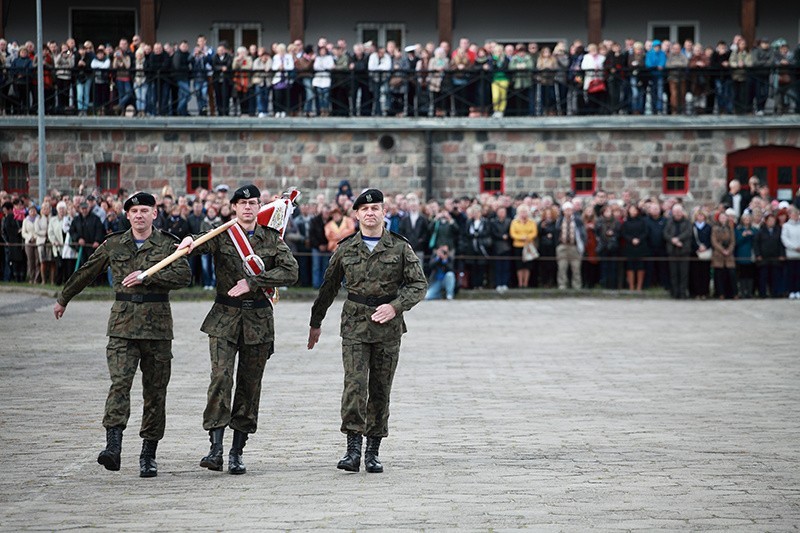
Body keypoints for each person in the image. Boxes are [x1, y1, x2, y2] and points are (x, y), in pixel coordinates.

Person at [53, 192, 192, 477]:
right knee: (120, 384)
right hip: (122, 327)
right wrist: (64, 297)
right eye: (134, 211)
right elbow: (88, 271)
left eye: (145, 210)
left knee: (155, 393)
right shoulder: (114, 243)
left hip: (157, 329)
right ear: (127, 215)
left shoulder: (168, 244)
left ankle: (148, 454)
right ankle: (113, 446)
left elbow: (184, 276)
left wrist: (150, 274)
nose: (139, 215)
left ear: (155, 214)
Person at [177, 184, 298, 475]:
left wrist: (254, 283)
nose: (247, 207)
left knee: (249, 385)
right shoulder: (223, 235)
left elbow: (291, 271)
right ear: (233, 207)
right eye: (241, 203)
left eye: (253, 203)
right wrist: (187, 241)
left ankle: (236, 452)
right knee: (220, 377)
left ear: (259, 207)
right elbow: (198, 243)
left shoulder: (271, 239)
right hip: (224, 319)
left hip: (258, 321)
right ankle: (215, 448)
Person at [308, 188, 427, 473]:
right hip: (355, 325)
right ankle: (352, 450)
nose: (370, 213)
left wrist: (396, 306)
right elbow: (329, 287)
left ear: (384, 213)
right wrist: (316, 322)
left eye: (376, 209)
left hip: (388, 327)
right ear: (357, 214)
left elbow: (418, 285)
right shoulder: (346, 248)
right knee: (355, 385)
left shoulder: (399, 247)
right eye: (365, 209)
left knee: (380, 389)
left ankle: (373, 451)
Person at [663, 204, 692, 299]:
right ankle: (675, 293)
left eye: (679, 211)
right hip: (672, 251)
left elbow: (688, 233)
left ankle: (683, 293)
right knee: (673, 273)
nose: (677, 214)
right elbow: (665, 233)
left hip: (684, 250)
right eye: (675, 212)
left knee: (684, 274)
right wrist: (672, 240)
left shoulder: (687, 222)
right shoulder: (669, 222)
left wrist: (678, 239)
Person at [555, 202, 586, 290]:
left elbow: (583, 234)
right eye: (566, 210)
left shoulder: (578, 220)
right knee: (562, 267)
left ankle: (577, 286)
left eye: (570, 210)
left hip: (574, 246)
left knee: (576, 268)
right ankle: (562, 285)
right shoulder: (560, 220)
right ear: (563, 211)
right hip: (562, 246)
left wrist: (582, 243)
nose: (568, 212)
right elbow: (557, 233)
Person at [622, 204, 649, 291]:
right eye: (631, 209)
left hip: (640, 246)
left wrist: (639, 239)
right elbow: (624, 233)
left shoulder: (642, 221)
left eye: (635, 209)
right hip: (630, 246)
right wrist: (631, 240)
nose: (633, 211)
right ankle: (631, 286)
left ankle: (639, 287)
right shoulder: (626, 222)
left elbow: (645, 232)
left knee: (640, 266)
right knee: (630, 267)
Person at [711, 210, 737, 299]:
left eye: (724, 217)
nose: (723, 219)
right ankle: (720, 293)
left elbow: (733, 241)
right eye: (721, 217)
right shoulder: (715, 228)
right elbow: (714, 241)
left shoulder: (730, 228)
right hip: (718, 254)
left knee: (731, 274)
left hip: (729, 254)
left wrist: (729, 250)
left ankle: (732, 293)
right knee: (719, 275)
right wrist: (722, 250)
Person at [781, 206, 800, 299]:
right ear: (790, 215)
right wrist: (794, 247)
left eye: (797, 214)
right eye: (793, 214)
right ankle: (791, 290)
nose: (795, 216)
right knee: (791, 273)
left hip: (799, 254)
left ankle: (798, 290)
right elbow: (785, 239)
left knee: (799, 274)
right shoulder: (786, 226)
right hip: (791, 254)